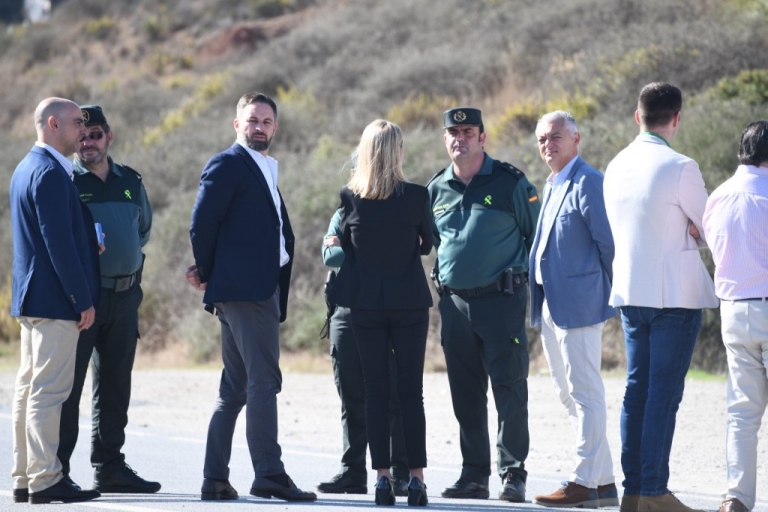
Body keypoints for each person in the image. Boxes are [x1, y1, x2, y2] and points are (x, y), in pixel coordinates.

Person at [186, 92, 315, 502]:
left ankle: (215, 478)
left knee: (236, 388)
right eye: (252, 120)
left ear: (275, 127)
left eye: (266, 121)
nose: (259, 127)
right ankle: (269, 474)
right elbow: (202, 223)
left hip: (254, 288)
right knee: (264, 381)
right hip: (247, 291)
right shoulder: (228, 163)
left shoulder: (263, 167)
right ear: (237, 124)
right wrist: (210, 271)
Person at [603, 82, 718, 512]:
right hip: (674, 297)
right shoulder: (681, 166)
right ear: (677, 118)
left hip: (631, 292)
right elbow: (711, 228)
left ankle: (634, 491)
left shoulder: (615, 165)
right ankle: (654, 491)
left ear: (638, 116)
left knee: (637, 391)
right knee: (663, 395)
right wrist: (694, 231)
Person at [427, 107, 540, 503]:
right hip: (454, 305)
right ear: (445, 139)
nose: (460, 138)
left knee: (509, 386)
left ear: (482, 137)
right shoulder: (435, 189)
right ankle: (474, 474)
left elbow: (535, 236)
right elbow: (431, 243)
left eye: (468, 131)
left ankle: (513, 474)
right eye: (453, 132)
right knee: (465, 392)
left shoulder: (510, 182)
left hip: (501, 300)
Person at [326, 119, 433, 507]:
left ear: (366, 153)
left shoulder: (350, 197)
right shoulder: (417, 195)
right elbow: (427, 245)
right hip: (409, 303)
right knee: (410, 393)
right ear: (398, 151)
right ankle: (416, 480)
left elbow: (344, 247)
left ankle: (383, 481)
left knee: (375, 391)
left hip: (366, 306)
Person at [56, 105, 158, 494]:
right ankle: (58, 470)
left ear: (108, 137)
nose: (88, 141)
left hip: (126, 296)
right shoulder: (65, 180)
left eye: (95, 134)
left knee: (116, 386)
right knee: (70, 388)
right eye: (81, 135)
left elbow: (142, 230)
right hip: (85, 298)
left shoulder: (130, 180)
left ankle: (110, 467)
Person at [9, 97, 101, 504]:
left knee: (29, 390)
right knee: (47, 393)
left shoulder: (26, 167)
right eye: (76, 122)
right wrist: (81, 298)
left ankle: (25, 477)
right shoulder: (49, 172)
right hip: (55, 302)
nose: (83, 130)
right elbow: (57, 244)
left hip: (33, 300)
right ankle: (46, 479)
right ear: (52, 124)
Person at [529, 111, 618, 509]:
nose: (548, 144)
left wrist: (610, 296)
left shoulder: (589, 181)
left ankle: (583, 482)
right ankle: (604, 482)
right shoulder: (552, 184)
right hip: (551, 305)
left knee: (585, 393)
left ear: (576, 139)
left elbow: (609, 246)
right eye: (542, 139)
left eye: (555, 137)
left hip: (580, 305)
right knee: (568, 394)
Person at [318, 205, 411, 496]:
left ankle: (400, 473)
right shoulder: (342, 214)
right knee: (351, 396)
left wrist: (349, 245)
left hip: (387, 311)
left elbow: (402, 254)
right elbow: (330, 256)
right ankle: (352, 472)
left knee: (394, 395)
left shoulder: (398, 209)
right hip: (345, 312)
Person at [702, 121, 768, 512]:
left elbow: (714, 246)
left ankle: (737, 498)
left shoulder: (718, 196)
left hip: (733, 309)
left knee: (742, 412)